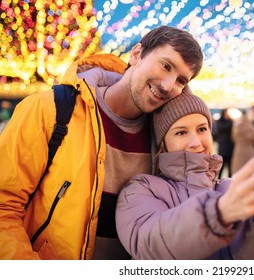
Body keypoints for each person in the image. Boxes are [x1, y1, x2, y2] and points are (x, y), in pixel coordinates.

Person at [0, 25, 203, 260]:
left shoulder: (164, 138)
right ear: (136, 54)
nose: (168, 85)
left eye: (180, 80)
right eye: (165, 66)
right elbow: (4, 206)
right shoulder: (50, 111)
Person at [116, 91, 254, 260]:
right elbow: (150, 246)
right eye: (181, 132)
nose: (196, 142)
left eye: (202, 129)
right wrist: (219, 213)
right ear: (163, 142)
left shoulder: (229, 189)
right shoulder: (142, 189)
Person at [231, 109, 254, 174]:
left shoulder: (236, 127)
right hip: (249, 151)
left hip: (239, 150)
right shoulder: (251, 127)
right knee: (249, 171)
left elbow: (233, 138)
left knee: (238, 171)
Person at [214, 108, 234, 178]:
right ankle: (219, 179)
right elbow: (223, 128)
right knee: (222, 166)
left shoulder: (229, 122)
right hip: (223, 147)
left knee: (229, 166)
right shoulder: (221, 122)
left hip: (229, 147)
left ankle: (229, 180)